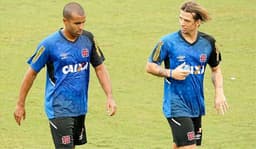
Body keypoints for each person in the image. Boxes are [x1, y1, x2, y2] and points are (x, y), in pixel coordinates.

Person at [14, 2, 117, 149]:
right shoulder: (49, 44)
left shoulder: (88, 39)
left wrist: (109, 96)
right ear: (65, 21)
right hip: (58, 108)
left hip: (80, 107)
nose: (81, 27)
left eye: (83, 22)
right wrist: (20, 104)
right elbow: (31, 74)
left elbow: (100, 68)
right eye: (77, 23)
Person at [146, 1, 228, 149]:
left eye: (187, 20)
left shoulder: (208, 43)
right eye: (180, 18)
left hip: (196, 105)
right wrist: (171, 73)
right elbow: (150, 66)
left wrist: (219, 93)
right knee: (189, 147)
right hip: (175, 105)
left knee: (181, 145)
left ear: (198, 22)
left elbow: (216, 69)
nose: (182, 23)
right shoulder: (167, 42)